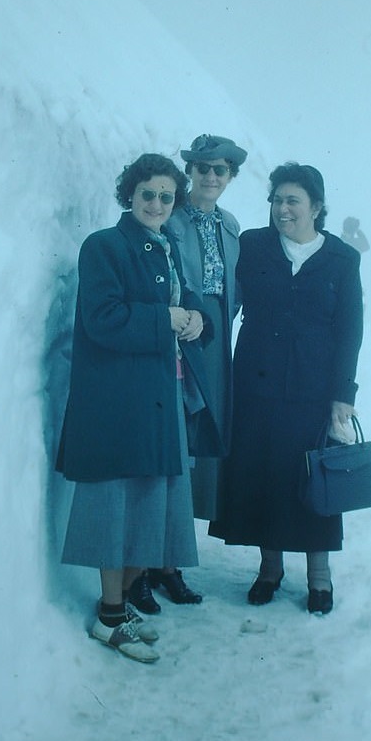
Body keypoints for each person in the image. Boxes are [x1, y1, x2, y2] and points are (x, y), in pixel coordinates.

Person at [55, 153, 221, 661]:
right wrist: (168, 318)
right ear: (130, 194)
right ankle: (109, 616)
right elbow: (103, 319)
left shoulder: (167, 246)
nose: (156, 203)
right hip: (117, 399)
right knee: (116, 501)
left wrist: (197, 321)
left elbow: (190, 304)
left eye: (166, 196)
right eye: (147, 193)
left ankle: (121, 602)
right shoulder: (104, 246)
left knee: (151, 501)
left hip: (159, 396)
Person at [209, 162, 364, 614]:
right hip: (256, 385)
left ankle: (320, 575)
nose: (282, 209)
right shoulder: (254, 246)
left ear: (316, 206)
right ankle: (270, 569)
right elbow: (228, 303)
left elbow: (349, 331)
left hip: (314, 390)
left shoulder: (341, 259)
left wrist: (343, 393)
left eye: (292, 200)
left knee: (314, 477)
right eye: (276, 200)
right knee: (262, 474)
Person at [134, 134, 247, 610]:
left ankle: (168, 561)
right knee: (171, 447)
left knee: (195, 453)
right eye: (202, 168)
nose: (210, 177)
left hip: (213, 342)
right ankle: (147, 565)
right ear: (190, 173)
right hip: (181, 339)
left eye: (219, 169)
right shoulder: (169, 218)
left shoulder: (230, 225)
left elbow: (232, 291)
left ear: (229, 177)